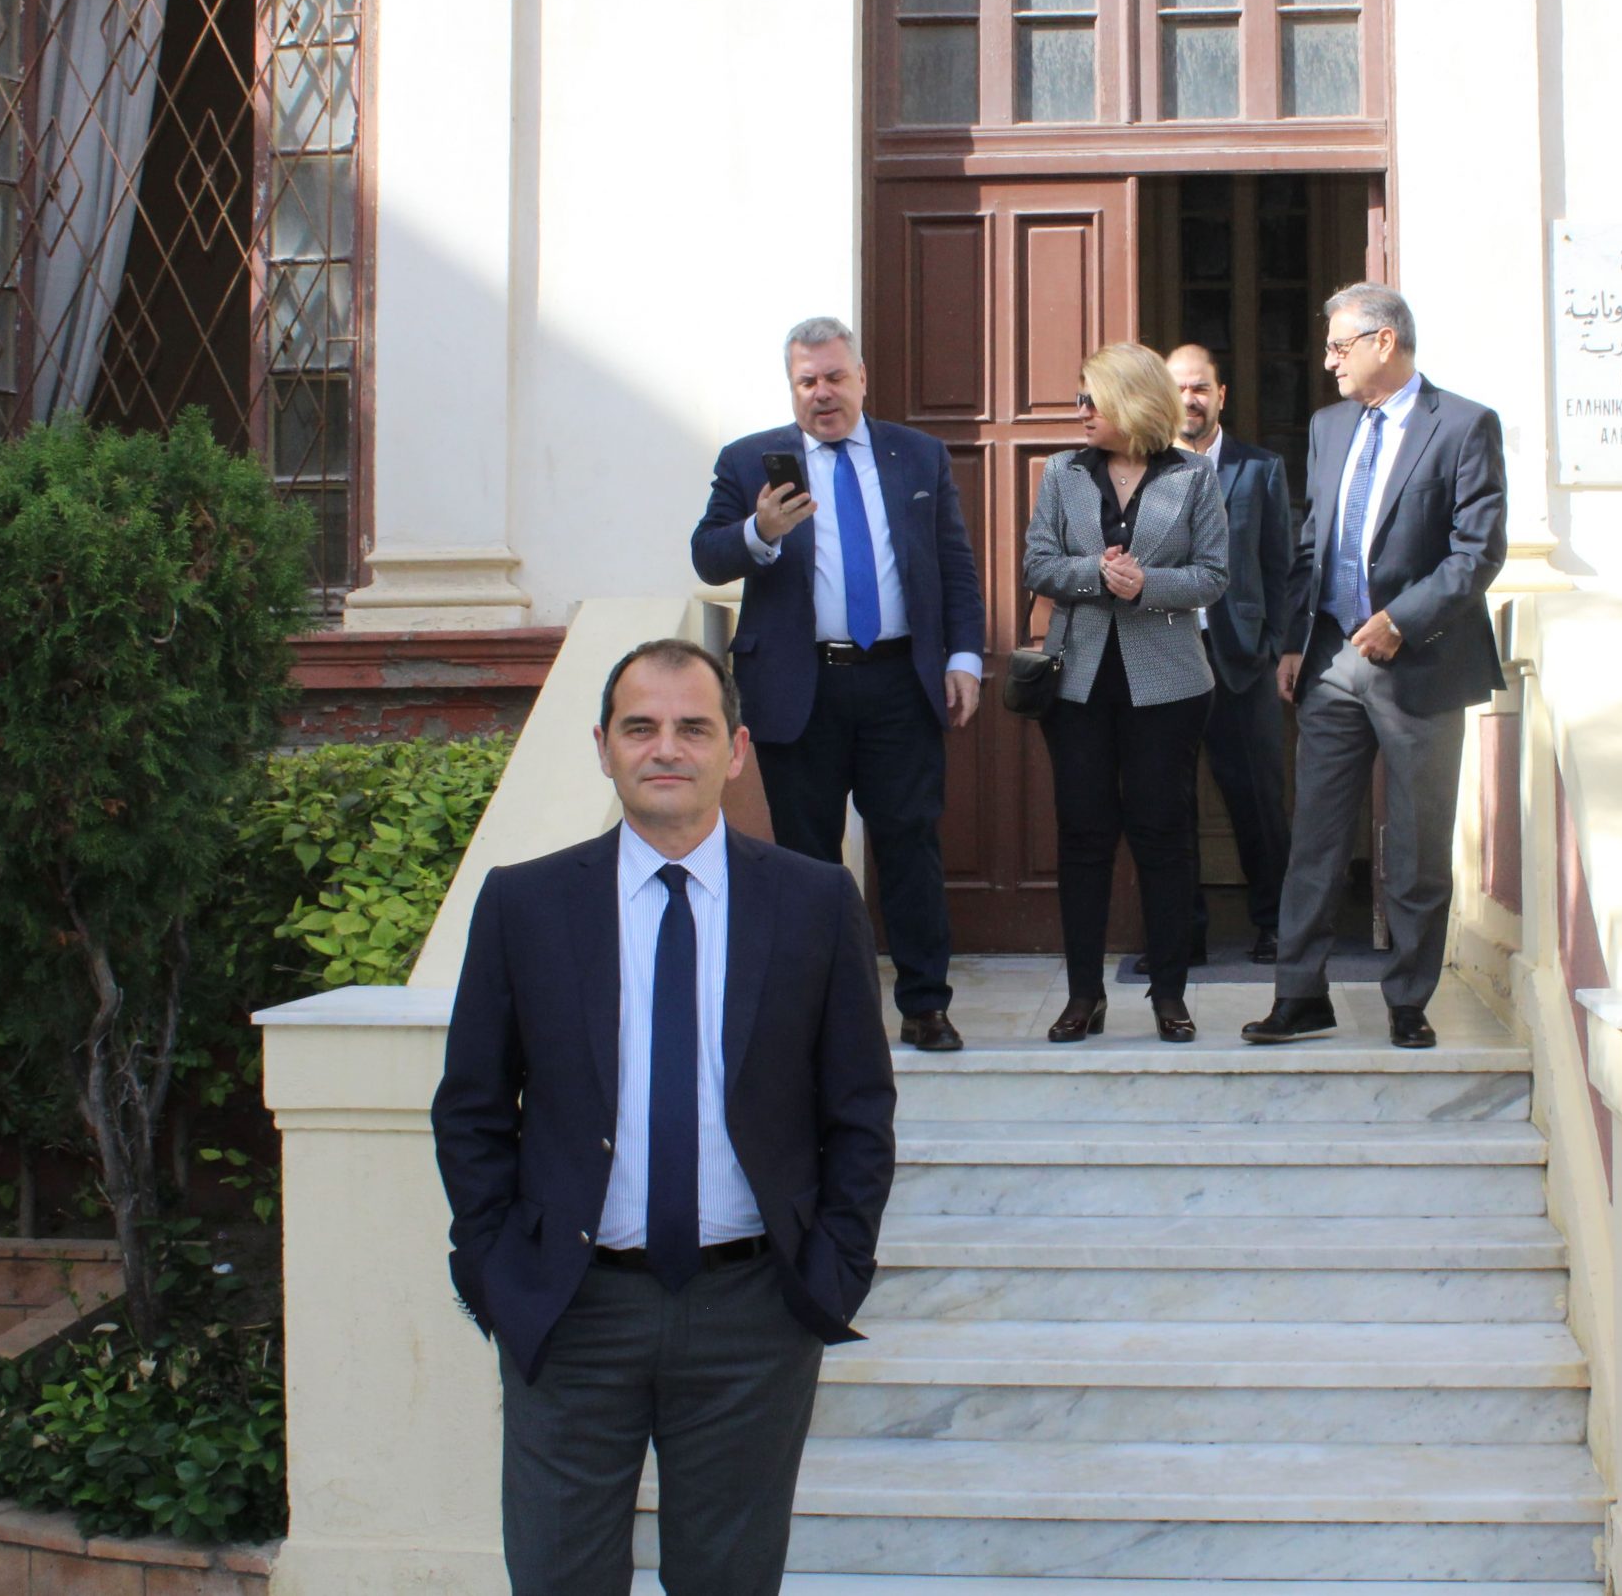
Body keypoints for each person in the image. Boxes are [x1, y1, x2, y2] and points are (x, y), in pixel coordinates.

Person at [431, 638, 896, 1596]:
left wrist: (833, 1269)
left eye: (694, 727)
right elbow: (472, 1108)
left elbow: (858, 1109)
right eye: (640, 727)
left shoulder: (814, 902)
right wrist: (498, 1267)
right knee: (558, 1579)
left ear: (737, 749)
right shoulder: (525, 903)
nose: (666, 748)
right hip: (572, 1310)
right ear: (603, 746)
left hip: (752, 1314)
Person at [691, 317, 986, 1053]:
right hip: (800, 687)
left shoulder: (916, 456)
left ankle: (925, 1005)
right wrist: (759, 530)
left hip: (899, 682)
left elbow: (953, 563)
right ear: (791, 388)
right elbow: (708, 555)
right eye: (806, 381)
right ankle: (822, 1014)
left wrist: (963, 657)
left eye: (833, 377)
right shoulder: (750, 461)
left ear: (861, 378)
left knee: (909, 843)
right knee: (804, 859)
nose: (821, 393)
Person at [1243, 285, 1507, 1051]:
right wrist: (1294, 640)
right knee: (1315, 836)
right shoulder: (1328, 427)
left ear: (1383, 342)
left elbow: (1477, 551)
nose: (1328, 361)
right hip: (1331, 657)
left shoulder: (1463, 425)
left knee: (1418, 847)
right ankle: (1300, 995)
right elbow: (1312, 540)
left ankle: (1408, 1000)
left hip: (1420, 663)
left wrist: (1402, 620)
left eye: (1338, 346)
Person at [1023, 343, 1231, 1043]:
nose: (1081, 411)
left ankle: (1169, 994)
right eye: (1080, 397)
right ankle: (1084, 995)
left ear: (1132, 402)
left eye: (1093, 399)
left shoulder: (1194, 476)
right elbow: (1037, 563)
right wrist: (1093, 573)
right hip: (1077, 682)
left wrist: (1148, 585)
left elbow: (1213, 575)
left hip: (1169, 684)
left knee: (1163, 834)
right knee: (1083, 835)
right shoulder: (1062, 472)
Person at [1167, 342, 1295, 969]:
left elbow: (1281, 565)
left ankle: (1276, 926)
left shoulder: (1260, 469)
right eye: (1178, 388)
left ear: (1220, 395)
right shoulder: (1143, 469)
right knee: (1168, 803)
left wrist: (1277, 646)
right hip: (1164, 656)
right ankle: (1182, 936)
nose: (1189, 399)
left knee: (1257, 800)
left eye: (1200, 388)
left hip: (1240, 660)